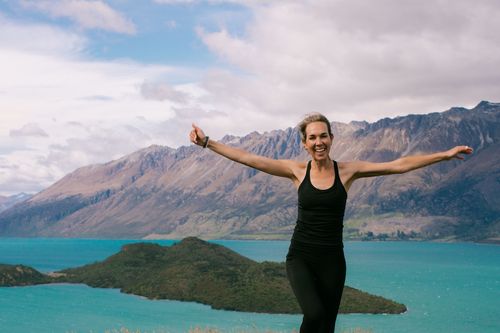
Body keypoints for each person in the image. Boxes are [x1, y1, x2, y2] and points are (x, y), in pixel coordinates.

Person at [189, 113, 473, 333]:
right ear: (304, 143)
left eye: (323, 136)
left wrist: (444, 155)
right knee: (313, 314)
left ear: (331, 138)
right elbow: (249, 158)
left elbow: (399, 164)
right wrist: (206, 142)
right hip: (300, 257)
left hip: (333, 261)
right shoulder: (297, 171)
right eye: (312, 138)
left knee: (326, 327)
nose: (318, 142)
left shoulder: (348, 171)